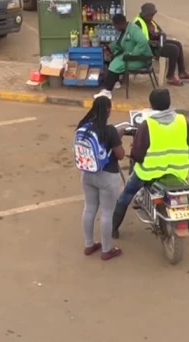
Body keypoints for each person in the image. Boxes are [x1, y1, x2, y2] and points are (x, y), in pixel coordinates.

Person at [112, 88, 189, 239]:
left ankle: (114, 229)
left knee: (126, 194)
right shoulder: (183, 121)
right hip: (177, 173)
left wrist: (133, 155)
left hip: (149, 173)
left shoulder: (148, 125)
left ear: (151, 105)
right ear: (169, 103)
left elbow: (138, 155)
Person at [75, 96, 125, 261]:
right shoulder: (109, 130)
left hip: (87, 174)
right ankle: (106, 250)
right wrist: (119, 137)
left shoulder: (83, 126)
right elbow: (120, 155)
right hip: (107, 176)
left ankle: (89, 245)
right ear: (108, 110)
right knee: (107, 213)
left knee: (89, 208)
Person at [134, 2, 189, 86]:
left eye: (153, 15)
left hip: (156, 43)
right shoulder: (138, 23)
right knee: (174, 50)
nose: (152, 17)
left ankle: (182, 72)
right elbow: (141, 40)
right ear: (145, 14)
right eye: (150, 15)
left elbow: (159, 30)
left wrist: (161, 35)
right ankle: (170, 76)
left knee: (178, 44)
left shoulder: (150, 21)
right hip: (149, 48)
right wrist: (156, 42)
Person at [99, 13, 154, 94]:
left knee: (115, 64)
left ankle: (107, 92)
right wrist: (109, 47)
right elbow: (120, 44)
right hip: (132, 57)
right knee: (114, 58)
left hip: (142, 59)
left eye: (115, 26)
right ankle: (115, 82)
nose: (115, 28)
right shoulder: (124, 30)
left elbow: (143, 41)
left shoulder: (133, 29)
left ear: (119, 24)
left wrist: (132, 54)